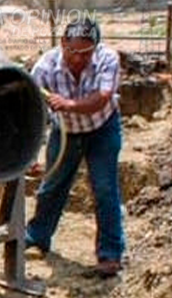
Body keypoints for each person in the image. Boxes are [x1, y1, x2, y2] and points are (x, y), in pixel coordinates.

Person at [24, 17, 126, 277]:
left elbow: (102, 98)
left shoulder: (108, 60)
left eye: (85, 53)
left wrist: (68, 104)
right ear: (62, 44)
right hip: (66, 132)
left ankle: (110, 255)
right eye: (72, 52)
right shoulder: (46, 67)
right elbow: (31, 112)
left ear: (95, 48)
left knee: (105, 190)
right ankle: (37, 238)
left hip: (102, 129)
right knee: (52, 186)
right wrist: (30, 154)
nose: (78, 59)